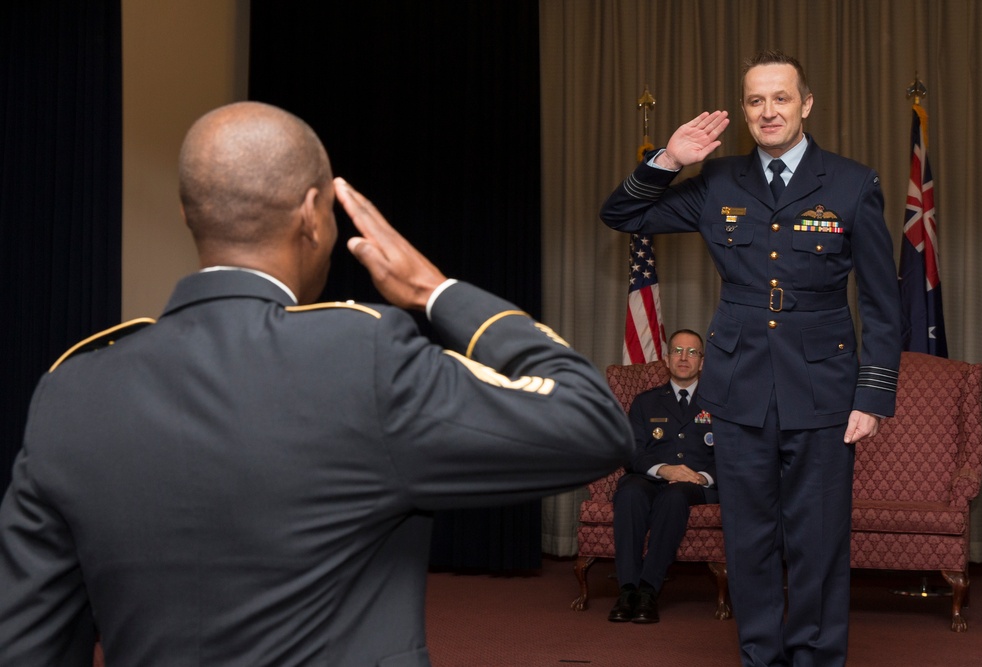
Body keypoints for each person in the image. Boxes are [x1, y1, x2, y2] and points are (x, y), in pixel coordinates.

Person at [0, 101, 634, 667]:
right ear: (312, 215)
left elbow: (29, 644)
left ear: (191, 213)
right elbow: (594, 423)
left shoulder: (70, 390)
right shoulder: (360, 356)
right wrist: (436, 292)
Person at [600, 50, 901, 666]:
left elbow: (881, 300)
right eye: (756, 101)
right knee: (749, 540)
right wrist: (668, 161)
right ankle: (760, 657)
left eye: (781, 98)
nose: (769, 112)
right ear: (744, 110)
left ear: (806, 104)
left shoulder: (851, 182)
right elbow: (621, 214)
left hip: (823, 393)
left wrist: (871, 397)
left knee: (817, 543)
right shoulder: (719, 181)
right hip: (737, 391)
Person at [607, 329, 716, 624]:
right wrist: (664, 470)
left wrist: (702, 477)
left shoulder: (719, 404)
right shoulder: (646, 402)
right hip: (649, 477)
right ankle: (627, 590)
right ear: (667, 360)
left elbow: (734, 455)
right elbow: (631, 451)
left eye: (692, 352)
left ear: (702, 362)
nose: (684, 358)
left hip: (695, 484)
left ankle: (648, 591)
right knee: (628, 492)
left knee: (675, 494)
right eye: (678, 351)